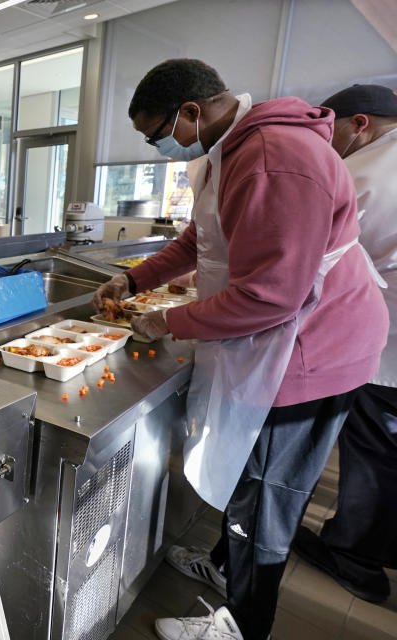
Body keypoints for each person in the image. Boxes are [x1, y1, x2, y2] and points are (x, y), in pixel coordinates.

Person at [92, 59, 387, 640]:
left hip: (311, 349)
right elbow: (199, 238)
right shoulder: (234, 147)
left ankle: (242, 627)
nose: (159, 147)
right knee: (249, 480)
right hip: (281, 334)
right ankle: (227, 570)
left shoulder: (275, 159)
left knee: (266, 496)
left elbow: (271, 297)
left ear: (191, 112)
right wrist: (133, 281)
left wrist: (165, 323)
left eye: (157, 134)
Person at [290, 84, 397, 604]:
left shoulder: (366, 173)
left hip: (382, 346)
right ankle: (373, 546)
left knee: (374, 454)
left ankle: (356, 559)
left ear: (359, 123)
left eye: (329, 134)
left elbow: (321, 263)